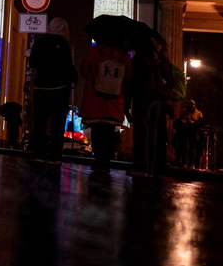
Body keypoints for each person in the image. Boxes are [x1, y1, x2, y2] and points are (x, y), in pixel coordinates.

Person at [80, 34, 133, 174]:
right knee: (110, 133)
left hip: (95, 99)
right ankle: (106, 162)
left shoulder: (93, 51)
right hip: (114, 102)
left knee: (97, 132)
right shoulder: (124, 56)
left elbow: (84, 71)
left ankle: (97, 160)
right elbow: (129, 77)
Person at [30, 17, 77, 161]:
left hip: (40, 89)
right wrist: (73, 79)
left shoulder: (39, 42)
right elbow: (68, 66)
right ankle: (55, 156)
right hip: (59, 89)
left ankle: (39, 154)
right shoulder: (64, 44)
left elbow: (33, 63)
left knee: (40, 124)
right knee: (57, 125)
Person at [127, 39, 173, 176]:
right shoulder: (156, 61)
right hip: (157, 100)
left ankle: (141, 167)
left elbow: (131, 82)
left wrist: (127, 104)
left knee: (141, 133)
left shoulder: (139, 60)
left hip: (143, 99)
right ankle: (151, 169)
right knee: (152, 134)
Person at [174, 100, 205, 168]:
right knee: (184, 147)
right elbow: (180, 121)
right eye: (189, 105)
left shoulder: (199, 113)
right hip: (185, 131)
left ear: (194, 105)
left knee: (193, 148)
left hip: (194, 131)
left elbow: (201, 123)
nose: (190, 106)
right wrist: (184, 122)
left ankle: (191, 163)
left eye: (192, 105)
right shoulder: (184, 112)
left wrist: (194, 123)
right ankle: (184, 162)